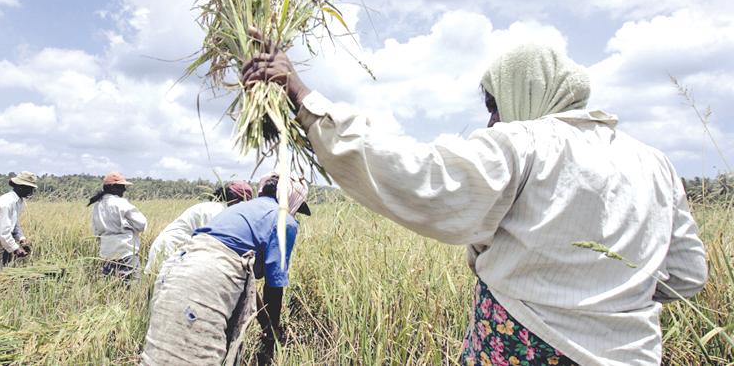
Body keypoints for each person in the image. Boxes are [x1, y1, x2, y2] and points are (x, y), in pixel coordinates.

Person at [243, 36, 708, 366]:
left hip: (527, 346)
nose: (491, 122)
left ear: (523, 92)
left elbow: (418, 176)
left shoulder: (525, 144)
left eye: (493, 105)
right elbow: (687, 274)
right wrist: (608, 300)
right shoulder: (655, 164)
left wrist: (304, 98)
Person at [141, 172, 311, 366]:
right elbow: (274, 288)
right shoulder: (284, 220)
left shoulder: (238, 210)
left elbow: (241, 275)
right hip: (206, 281)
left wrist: (265, 325)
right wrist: (272, 335)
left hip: (174, 270)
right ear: (291, 198)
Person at [144, 180, 254, 274]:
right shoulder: (216, 211)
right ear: (237, 201)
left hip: (175, 253)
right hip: (170, 251)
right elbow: (214, 244)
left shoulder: (215, 208)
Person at [90, 171, 147, 280]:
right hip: (126, 252)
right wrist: (129, 226)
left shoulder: (97, 206)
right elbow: (142, 225)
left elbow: (96, 232)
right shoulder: (121, 203)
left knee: (111, 287)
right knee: (132, 288)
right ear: (112, 187)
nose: (124, 189)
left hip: (106, 254)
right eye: (121, 186)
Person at [0, 171, 37, 271]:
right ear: (21, 187)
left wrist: (21, 238)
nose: (31, 192)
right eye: (29, 189)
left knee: (3, 264)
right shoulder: (7, 203)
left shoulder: (18, 200)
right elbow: (3, 231)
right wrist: (16, 248)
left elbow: (14, 222)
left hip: (0, 233)